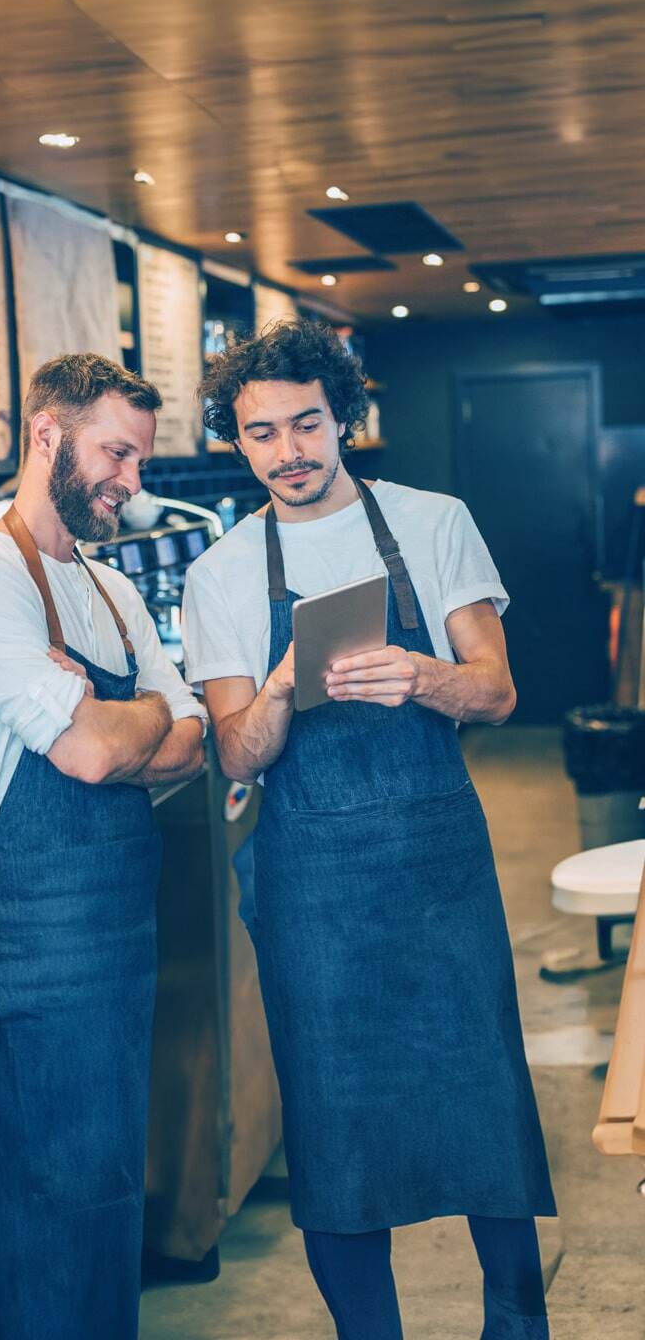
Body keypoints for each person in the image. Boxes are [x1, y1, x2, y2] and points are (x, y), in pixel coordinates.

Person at [181, 320, 555, 1340]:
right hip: (309, 881)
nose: (289, 450)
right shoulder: (219, 574)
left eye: (307, 422)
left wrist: (421, 674)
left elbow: (499, 688)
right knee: (334, 1121)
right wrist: (279, 688)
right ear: (238, 440)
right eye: (261, 433)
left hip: (438, 861)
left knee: (484, 1090)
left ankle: (518, 1320)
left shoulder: (432, 522)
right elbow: (239, 752)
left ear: (342, 414)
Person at [0, 354, 205, 1340]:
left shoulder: (110, 588)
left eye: (138, 456)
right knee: (51, 1196)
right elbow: (90, 752)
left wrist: (119, 720)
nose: (131, 478)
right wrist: (130, 724)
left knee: (109, 1191)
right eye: (116, 452)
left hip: (123, 946)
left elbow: (189, 737)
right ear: (48, 435)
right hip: (45, 961)